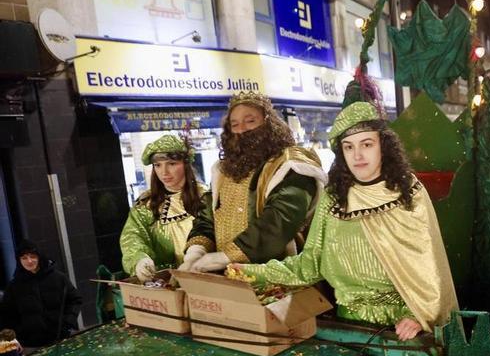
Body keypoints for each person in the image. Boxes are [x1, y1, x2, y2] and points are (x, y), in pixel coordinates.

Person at [228, 102, 458, 341]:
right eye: (348, 147)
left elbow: (430, 267)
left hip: (401, 330)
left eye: (366, 144)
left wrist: (418, 315)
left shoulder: (406, 192)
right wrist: (251, 273)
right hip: (348, 329)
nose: (357, 155)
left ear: (384, 146)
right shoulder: (334, 197)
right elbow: (310, 265)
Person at [180, 92, 327, 272]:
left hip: (278, 277)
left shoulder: (291, 166)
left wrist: (226, 256)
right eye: (234, 124)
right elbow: (209, 217)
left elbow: (279, 221)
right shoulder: (223, 171)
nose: (241, 129)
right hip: (227, 280)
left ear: (269, 124)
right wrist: (197, 251)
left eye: (250, 121)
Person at [120, 135, 205, 282]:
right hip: (165, 285)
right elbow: (132, 236)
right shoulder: (145, 206)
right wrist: (139, 259)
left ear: (185, 164)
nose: (164, 172)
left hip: (207, 280)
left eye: (172, 163)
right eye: (157, 165)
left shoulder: (206, 198)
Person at [0, 240, 83, 348]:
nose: (29, 261)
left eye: (32, 256)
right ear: (19, 261)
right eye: (24, 258)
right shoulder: (14, 286)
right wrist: (13, 339)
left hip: (60, 338)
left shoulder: (58, 278)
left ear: (39, 257)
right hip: (30, 344)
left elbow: (75, 299)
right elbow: (6, 314)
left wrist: (68, 321)